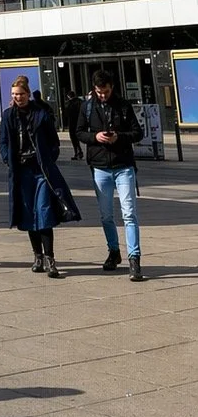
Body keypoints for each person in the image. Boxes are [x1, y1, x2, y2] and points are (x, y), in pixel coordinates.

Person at [0, 75, 79, 278]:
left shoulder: (40, 114)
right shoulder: (8, 116)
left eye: (21, 94)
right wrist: (8, 159)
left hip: (41, 170)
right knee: (28, 215)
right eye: (14, 95)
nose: (18, 98)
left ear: (28, 94)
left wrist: (49, 159)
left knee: (44, 212)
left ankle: (50, 258)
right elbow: (3, 142)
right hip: (21, 171)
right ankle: (38, 256)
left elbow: (54, 142)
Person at [76, 69, 144, 281]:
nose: (102, 95)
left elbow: (138, 133)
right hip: (100, 167)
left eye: (105, 91)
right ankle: (113, 251)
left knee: (129, 213)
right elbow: (78, 132)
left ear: (111, 87)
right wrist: (95, 137)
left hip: (123, 166)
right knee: (106, 215)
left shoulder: (123, 106)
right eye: (99, 91)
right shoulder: (87, 107)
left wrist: (118, 137)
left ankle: (134, 258)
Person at [63, 91, 83, 160]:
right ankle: (79, 152)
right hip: (80, 122)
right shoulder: (80, 102)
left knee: (74, 139)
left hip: (72, 123)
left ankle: (77, 152)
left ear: (68, 96)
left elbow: (66, 114)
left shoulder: (69, 104)